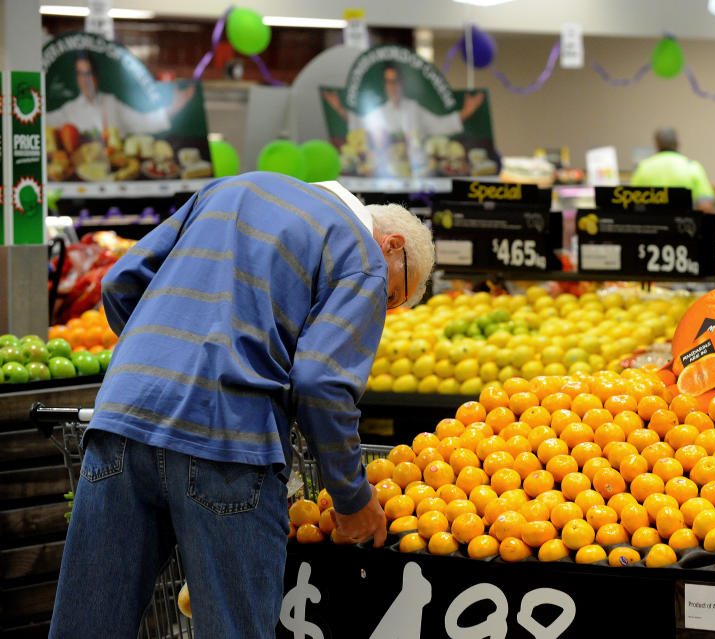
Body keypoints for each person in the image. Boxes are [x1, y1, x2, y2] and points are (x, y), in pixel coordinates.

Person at [49, 172, 435, 638]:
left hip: (123, 420)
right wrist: (353, 498)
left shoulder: (228, 188)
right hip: (230, 442)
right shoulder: (361, 253)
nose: (383, 310)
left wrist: (161, 363)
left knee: (86, 629)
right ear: (393, 245)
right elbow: (320, 381)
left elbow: (120, 282)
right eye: (391, 298)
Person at [322, 62, 485, 152]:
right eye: (389, 82)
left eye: (396, 81)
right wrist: (339, 109)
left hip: (418, 177)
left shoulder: (413, 108)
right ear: (385, 85)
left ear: (402, 83)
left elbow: (440, 125)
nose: (393, 86)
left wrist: (466, 112)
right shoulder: (380, 112)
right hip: (385, 178)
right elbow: (359, 123)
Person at [46, 51, 196, 137]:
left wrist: (173, 109)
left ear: (97, 75)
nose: (86, 80)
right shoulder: (69, 110)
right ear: (77, 78)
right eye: (81, 74)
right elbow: (43, 122)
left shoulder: (111, 103)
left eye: (89, 73)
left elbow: (143, 122)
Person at [629, 126, 715, 213]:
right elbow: (706, 206)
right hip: (684, 225)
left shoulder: (643, 168)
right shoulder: (692, 167)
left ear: (656, 144)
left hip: (652, 225)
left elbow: (633, 202)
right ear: (678, 142)